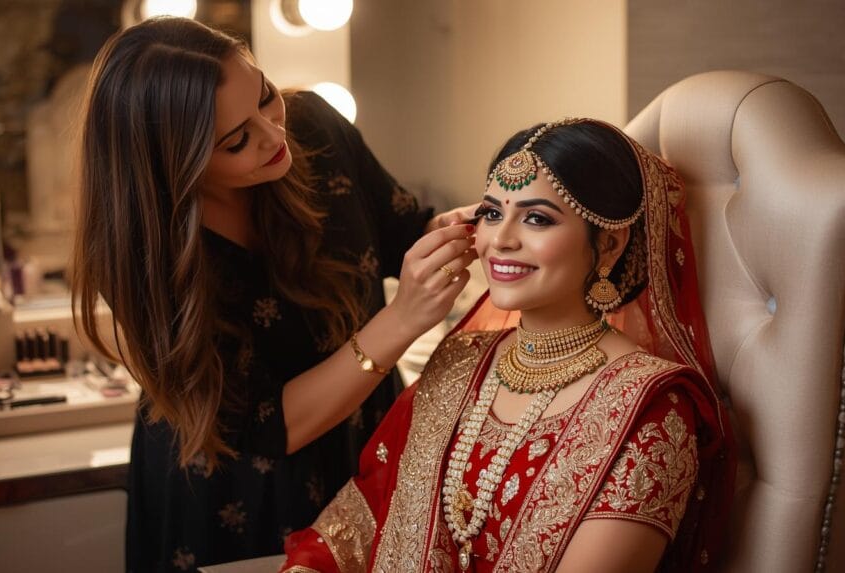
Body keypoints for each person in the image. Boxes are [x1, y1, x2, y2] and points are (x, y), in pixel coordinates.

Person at [70, 17, 478, 572]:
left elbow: (400, 232)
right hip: (238, 495)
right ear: (174, 166)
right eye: (237, 140)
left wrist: (469, 230)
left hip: (366, 442)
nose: (273, 135)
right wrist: (401, 320)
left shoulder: (315, 128)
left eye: (265, 97)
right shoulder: (144, 256)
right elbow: (266, 426)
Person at [280, 118, 737, 572]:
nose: (499, 240)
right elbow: (358, 522)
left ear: (610, 244)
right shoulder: (461, 359)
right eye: (492, 213)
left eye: (537, 218)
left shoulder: (650, 406)